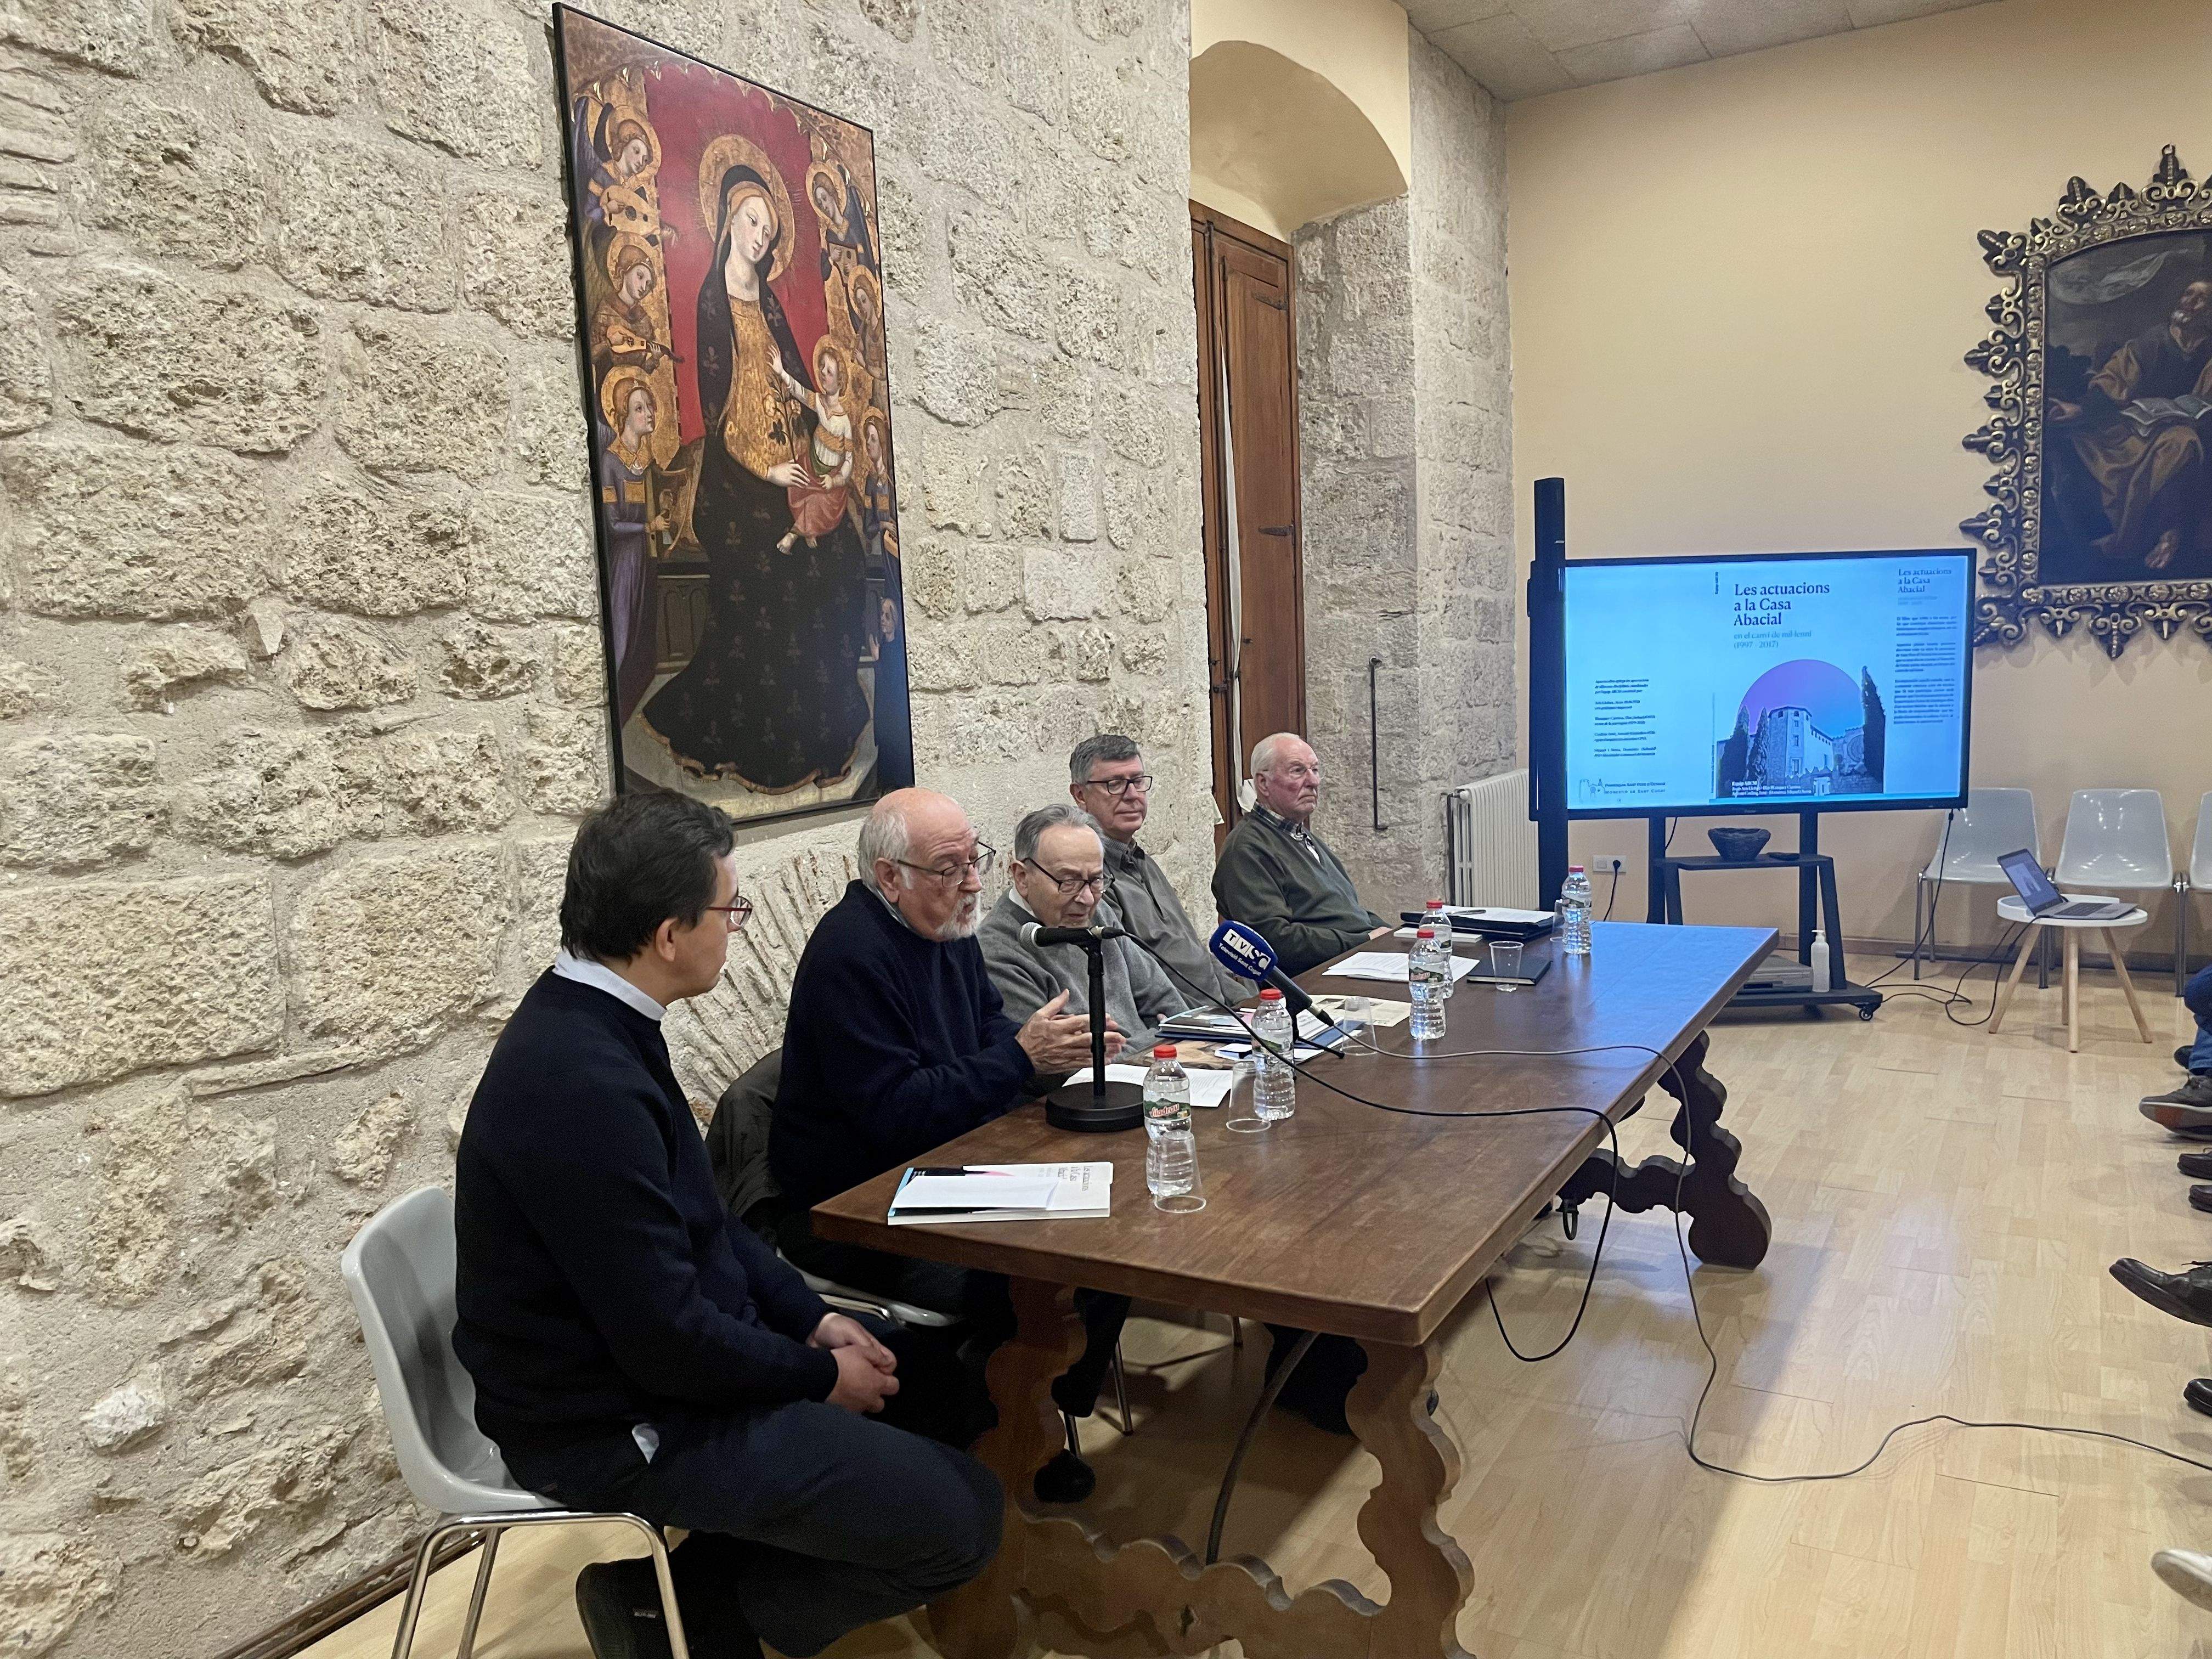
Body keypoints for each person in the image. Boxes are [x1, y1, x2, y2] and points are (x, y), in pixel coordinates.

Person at [452, 789, 998, 1659]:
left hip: (664, 1368)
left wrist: (813, 1319)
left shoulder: (606, 1021)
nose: (736, 926)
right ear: (670, 935)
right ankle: (691, 1623)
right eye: (729, 909)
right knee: (962, 1519)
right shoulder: (577, 1081)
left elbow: (706, 1223)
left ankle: (679, 1586)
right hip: (598, 1422)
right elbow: (667, 1340)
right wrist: (815, 1379)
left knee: (938, 1385)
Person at [771, 788, 1128, 1423]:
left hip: (948, 1164)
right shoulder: (851, 955)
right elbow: (896, 1112)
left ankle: (1046, 1406)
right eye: (949, 868)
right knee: (1041, 1275)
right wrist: (1020, 1057)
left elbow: (988, 1024)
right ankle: (1002, 1430)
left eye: (974, 860)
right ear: (889, 877)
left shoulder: (945, 922)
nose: (970, 883)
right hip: (865, 1203)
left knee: (1112, 1232)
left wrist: (1041, 1049)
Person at [639, 159, 872, 794]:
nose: (761, 236)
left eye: (770, 228)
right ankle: (762, 737)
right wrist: (766, 467)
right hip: (735, 476)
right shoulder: (714, 299)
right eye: (752, 222)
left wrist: (818, 452)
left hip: (786, 464)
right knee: (771, 572)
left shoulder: (768, 301)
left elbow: (795, 385)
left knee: (840, 554)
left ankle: (824, 725)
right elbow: (717, 410)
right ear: (728, 222)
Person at [979, 802, 1188, 1055]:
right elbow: (1070, 1062)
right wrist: (1156, 1037)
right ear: (1022, 877)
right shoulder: (997, 952)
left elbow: (1172, 1009)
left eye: (1096, 879)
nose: (1088, 898)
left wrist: (1160, 1036)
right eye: (1068, 882)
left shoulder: (1096, 911)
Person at [1067, 734, 1246, 1008]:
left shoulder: (1142, 860)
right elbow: (1137, 982)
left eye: (1138, 781)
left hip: (1226, 1015)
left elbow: (1195, 953)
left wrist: (1246, 1004)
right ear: (1080, 795)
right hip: (1187, 1026)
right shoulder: (1090, 880)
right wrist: (1203, 1022)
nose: (1132, 795)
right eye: (1114, 784)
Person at [2047, 274, 2212, 572]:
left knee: (2184, 441)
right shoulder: (2149, 344)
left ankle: (2168, 534)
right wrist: (2082, 410)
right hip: (2131, 430)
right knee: (2179, 442)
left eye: (2200, 298)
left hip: (2191, 431)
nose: (2189, 302)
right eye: (2188, 294)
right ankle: (2143, 536)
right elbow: (2111, 383)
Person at [1211, 732, 1392, 977]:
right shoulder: (1247, 849)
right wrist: (1364, 940)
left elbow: (1348, 913)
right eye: (1298, 771)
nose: (1313, 782)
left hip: (1353, 963)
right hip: (1311, 982)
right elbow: (1275, 940)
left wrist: (1391, 935)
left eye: (1315, 770)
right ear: (1263, 784)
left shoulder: (1300, 835)